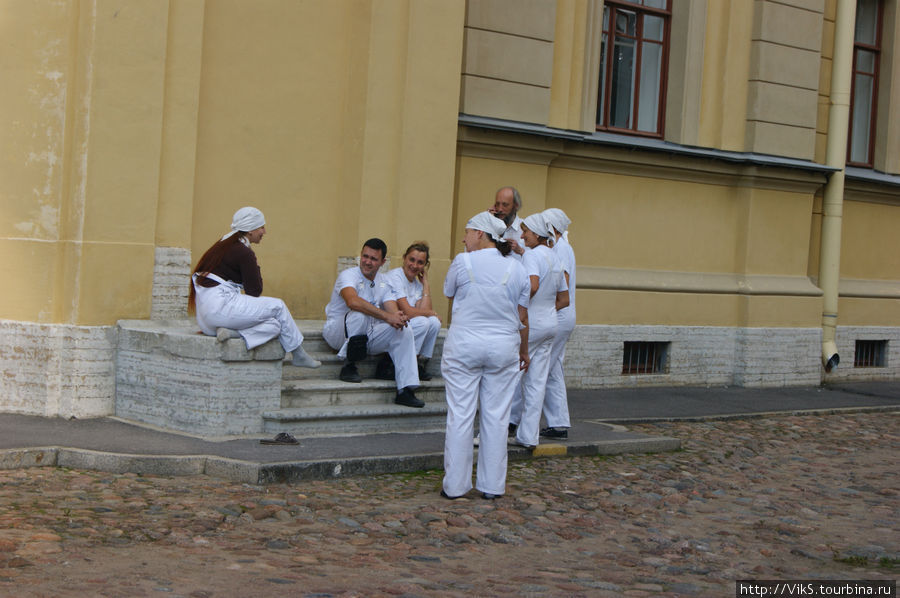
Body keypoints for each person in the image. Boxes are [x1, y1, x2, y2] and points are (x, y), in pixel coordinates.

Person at [441, 212, 530, 501]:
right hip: (502, 346)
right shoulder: (517, 268)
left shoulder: (462, 261)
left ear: (480, 233)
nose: (464, 238)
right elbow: (522, 312)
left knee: (461, 415)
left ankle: (455, 485)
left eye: (467, 232)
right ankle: (492, 486)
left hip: (465, 344)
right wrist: (522, 349)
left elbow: (449, 293)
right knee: (496, 417)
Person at [188, 206, 320, 368]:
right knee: (278, 307)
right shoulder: (243, 252)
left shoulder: (223, 244)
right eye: (261, 227)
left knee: (276, 325)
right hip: (220, 309)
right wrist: (254, 264)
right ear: (250, 230)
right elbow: (255, 291)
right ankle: (299, 354)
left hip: (207, 321)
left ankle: (232, 333)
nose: (264, 232)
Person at [322, 238, 423, 408]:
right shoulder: (348, 275)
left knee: (404, 329)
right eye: (365, 256)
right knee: (358, 315)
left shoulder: (384, 281)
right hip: (337, 333)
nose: (367, 262)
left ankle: (405, 389)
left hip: (366, 336)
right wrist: (386, 316)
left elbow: (391, 308)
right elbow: (352, 302)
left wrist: (398, 317)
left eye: (373, 259)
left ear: (382, 262)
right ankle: (349, 365)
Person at [510, 212, 569, 449]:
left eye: (526, 232)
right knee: (536, 383)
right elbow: (564, 298)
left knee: (507, 379)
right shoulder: (554, 257)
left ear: (537, 234)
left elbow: (532, 285)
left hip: (530, 325)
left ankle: (491, 434)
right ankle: (528, 436)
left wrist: (518, 306)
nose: (522, 236)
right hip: (550, 324)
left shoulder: (533, 257)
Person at [540, 208, 576, 440]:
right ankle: (558, 422)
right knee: (552, 369)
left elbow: (562, 283)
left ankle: (516, 421)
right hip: (562, 316)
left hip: (558, 316)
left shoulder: (561, 249)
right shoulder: (562, 248)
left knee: (538, 370)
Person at [383, 242, 442, 381]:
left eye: (420, 262)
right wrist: (431, 313)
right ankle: (403, 363)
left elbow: (424, 311)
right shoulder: (395, 276)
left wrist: (426, 284)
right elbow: (407, 311)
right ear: (404, 258)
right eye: (412, 260)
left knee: (433, 323)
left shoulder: (416, 284)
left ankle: (417, 363)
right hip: (391, 326)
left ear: (425, 265)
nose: (415, 265)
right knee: (424, 321)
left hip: (407, 326)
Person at [488, 186, 526, 257]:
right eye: (497, 204)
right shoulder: (488, 227)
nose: (500, 209)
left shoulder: (526, 229)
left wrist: (521, 251)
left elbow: (536, 261)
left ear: (516, 206)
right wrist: (486, 221)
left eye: (505, 205)